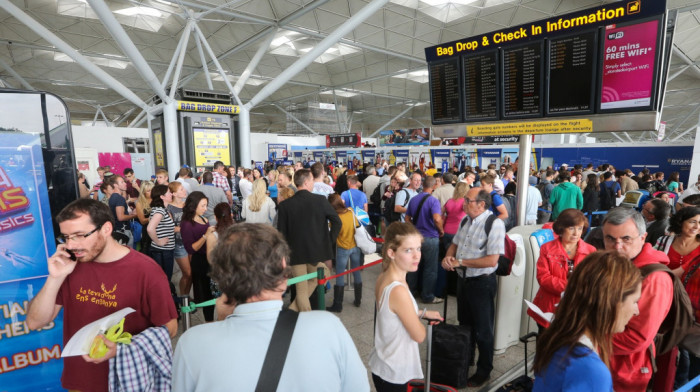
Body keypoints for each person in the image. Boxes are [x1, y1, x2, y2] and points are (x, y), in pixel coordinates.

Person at [172, 223, 369, 391]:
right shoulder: (328, 328)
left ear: (221, 280)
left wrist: (222, 321)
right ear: (284, 272)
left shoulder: (191, 345)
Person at [26, 199, 177, 392]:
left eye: (80, 236)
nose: (72, 245)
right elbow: (34, 322)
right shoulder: (70, 267)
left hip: (128, 381)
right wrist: (55, 278)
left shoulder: (147, 271)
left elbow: (170, 328)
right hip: (80, 381)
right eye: (66, 237)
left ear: (106, 229)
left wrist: (122, 348)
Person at [533, 251, 642, 391]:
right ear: (612, 302)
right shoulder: (590, 370)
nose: (636, 311)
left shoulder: (556, 338)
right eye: (634, 301)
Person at [603, 207, 673, 391]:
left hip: (625, 369)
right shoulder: (615, 263)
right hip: (602, 359)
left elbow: (637, 338)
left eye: (626, 239)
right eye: (610, 238)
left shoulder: (654, 279)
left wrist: (587, 338)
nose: (617, 247)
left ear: (643, 238)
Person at [441, 187, 504, 387]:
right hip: (463, 281)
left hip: (482, 283)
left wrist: (461, 262)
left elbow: (492, 260)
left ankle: (484, 370)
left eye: (468, 200)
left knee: (484, 330)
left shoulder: (494, 224)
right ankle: (464, 359)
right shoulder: (465, 220)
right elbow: (455, 243)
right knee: (465, 324)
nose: (463, 203)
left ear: (481, 204)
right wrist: (449, 256)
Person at [369, 222, 443, 391]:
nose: (417, 256)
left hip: (383, 362)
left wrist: (423, 313)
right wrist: (421, 322)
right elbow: (419, 335)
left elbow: (394, 312)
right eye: (408, 250)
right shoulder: (398, 290)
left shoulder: (385, 276)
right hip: (393, 371)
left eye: (418, 248)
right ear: (391, 252)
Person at [277, 169, 341, 311]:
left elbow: (280, 235)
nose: (313, 183)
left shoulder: (285, 206)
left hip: (295, 255)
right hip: (316, 253)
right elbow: (337, 222)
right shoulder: (320, 200)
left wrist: (283, 259)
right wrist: (328, 243)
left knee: (304, 288)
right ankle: (303, 319)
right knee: (307, 287)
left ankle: (290, 313)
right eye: (312, 180)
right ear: (306, 182)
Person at [527, 209, 596, 331]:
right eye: (571, 228)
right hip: (549, 308)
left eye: (580, 228)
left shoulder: (591, 251)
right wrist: (571, 287)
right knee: (546, 346)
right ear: (561, 228)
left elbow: (592, 280)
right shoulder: (547, 248)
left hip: (576, 309)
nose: (576, 233)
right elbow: (543, 278)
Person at [405, 175, 444, 304]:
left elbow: (407, 219)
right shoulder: (433, 201)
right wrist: (441, 230)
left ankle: (410, 293)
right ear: (433, 186)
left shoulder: (414, 199)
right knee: (430, 268)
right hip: (431, 238)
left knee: (414, 266)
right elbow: (437, 219)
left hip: (416, 238)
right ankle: (427, 296)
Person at [180, 191, 217, 322]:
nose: (205, 209)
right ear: (193, 206)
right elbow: (190, 248)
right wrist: (205, 235)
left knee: (213, 292)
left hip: (210, 259)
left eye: (206, 205)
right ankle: (209, 321)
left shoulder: (203, 219)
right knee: (206, 294)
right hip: (200, 262)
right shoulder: (186, 224)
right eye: (203, 206)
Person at [327, 194, 363, 313]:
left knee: (339, 275)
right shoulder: (351, 211)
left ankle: (338, 304)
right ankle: (358, 300)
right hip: (355, 246)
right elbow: (357, 225)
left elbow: (333, 233)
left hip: (342, 248)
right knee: (356, 272)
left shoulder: (336, 218)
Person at [655, 206, 700, 271]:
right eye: (692, 222)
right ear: (680, 222)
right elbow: (652, 263)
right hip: (665, 280)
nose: (697, 226)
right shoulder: (663, 241)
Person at [147, 184, 176, 281]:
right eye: (169, 192)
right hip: (163, 251)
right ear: (162, 196)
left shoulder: (162, 210)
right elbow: (150, 228)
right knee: (164, 279)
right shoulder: (160, 211)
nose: (171, 194)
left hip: (164, 250)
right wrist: (158, 241)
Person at [168, 181, 191, 296]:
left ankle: (186, 296)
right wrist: (186, 227)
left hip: (191, 241)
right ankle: (183, 297)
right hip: (179, 244)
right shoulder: (169, 208)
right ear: (174, 194)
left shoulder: (187, 206)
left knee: (191, 274)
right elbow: (171, 228)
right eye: (181, 189)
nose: (184, 191)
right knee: (187, 273)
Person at [106, 175, 137, 248]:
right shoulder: (119, 198)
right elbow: (121, 217)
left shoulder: (113, 197)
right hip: (122, 231)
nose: (125, 183)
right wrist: (135, 215)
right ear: (115, 185)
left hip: (117, 230)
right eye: (122, 182)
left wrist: (130, 213)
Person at [135, 180, 154, 254]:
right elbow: (142, 220)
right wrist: (154, 218)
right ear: (143, 192)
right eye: (149, 191)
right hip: (147, 232)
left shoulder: (158, 200)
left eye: (153, 190)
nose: (151, 192)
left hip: (159, 230)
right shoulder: (140, 203)